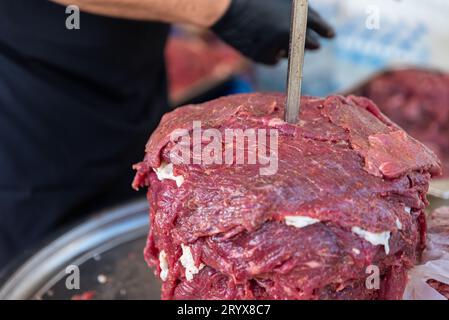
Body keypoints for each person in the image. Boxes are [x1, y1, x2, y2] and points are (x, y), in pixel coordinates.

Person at [0, 0, 334, 267]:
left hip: (129, 79)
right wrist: (224, 10)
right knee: (50, 258)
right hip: (37, 108)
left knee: (153, 225)